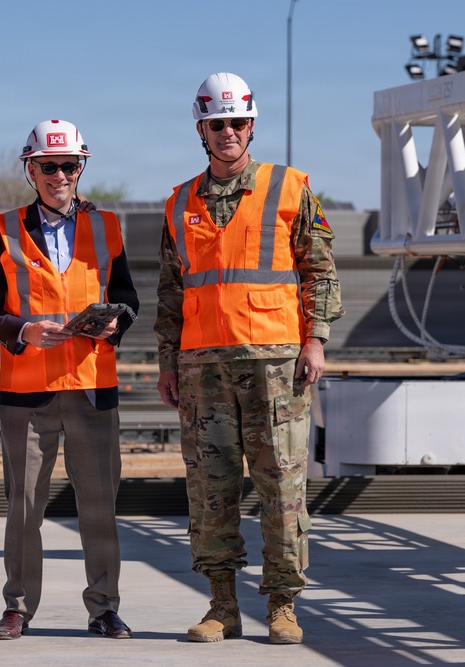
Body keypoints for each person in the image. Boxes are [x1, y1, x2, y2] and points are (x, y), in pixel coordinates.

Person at [154, 72, 343, 645]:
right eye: (218, 124)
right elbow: (170, 291)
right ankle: (221, 606)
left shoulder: (290, 188)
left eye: (237, 122)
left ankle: (283, 605)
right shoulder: (178, 202)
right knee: (211, 490)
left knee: (281, 489)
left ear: (251, 126)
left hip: (276, 363)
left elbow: (319, 269)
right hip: (202, 367)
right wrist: (167, 361)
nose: (228, 132)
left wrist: (316, 340)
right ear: (202, 129)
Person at [0, 119, 140, 640]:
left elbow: (130, 299)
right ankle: (18, 607)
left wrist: (118, 322)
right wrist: (23, 328)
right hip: (26, 392)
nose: (59, 175)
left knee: (99, 506)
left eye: (69, 165)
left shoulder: (107, 227)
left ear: (82, 166)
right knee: (24, 507)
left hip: (92, 386)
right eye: (48, 166)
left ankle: (105, 607)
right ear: (30, 169)